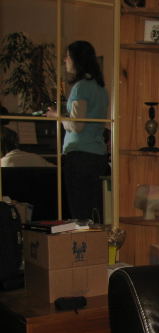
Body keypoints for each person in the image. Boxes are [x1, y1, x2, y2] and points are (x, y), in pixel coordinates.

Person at [47, 40, 108, 220]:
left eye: (68, 56)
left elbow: (77, 125)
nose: (65, 60)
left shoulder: (81, 87)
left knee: (80, 213)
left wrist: (57, 116)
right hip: (98, 155)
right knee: (95, 212)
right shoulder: (100, 89)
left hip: (80, 156)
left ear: (76, 60)